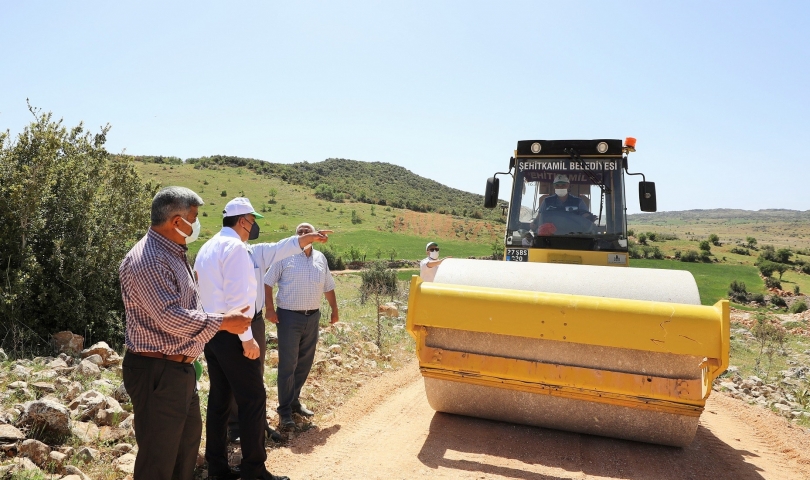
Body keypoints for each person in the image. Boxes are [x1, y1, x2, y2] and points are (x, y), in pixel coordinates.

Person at [119, 186, 253, 480]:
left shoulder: (172, 253)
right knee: (159, 460)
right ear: (177, 221)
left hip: (177, 370)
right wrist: (222, 321)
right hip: (158, 371)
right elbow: (169, 317)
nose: (197, 223)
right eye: (194, 216)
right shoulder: (150, 259)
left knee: (185, 449)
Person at [195, 198, 330, 480]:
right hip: (234, 333)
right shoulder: (235, 250)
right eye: (253, 220)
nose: (254, 225)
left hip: (213, 333)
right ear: (243, 220)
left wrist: (304, 239)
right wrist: (247, 339)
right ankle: (254, 470)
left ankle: (217, 468)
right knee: (253, 399)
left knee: (220, 400)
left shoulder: (210, 246)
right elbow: (238, 299)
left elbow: (274, 250)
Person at [264, 222, 340, 430]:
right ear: (295, 236)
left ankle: (294, 401)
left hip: (312, 317)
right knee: (288, 365)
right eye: (300, 232)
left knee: (304, 363)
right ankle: (285, 412)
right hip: (288, 317)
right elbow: (267, 282)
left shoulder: (320, 259)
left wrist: (334, 309)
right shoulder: (284, 256)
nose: (305, 234)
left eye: (308, 231)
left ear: (315, 234)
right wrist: (269, 309)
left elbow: (329, 287)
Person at [530, 174, 597, 235]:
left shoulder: (578, 202)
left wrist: (589, 217)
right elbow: (539, 218)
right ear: (554, 186)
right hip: (550, 239)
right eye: (557, 185)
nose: (560, 187)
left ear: (568, 185)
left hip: (574, 238)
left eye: (563, 185)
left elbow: (585, 218)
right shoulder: (547, 201)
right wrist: (534, 224)